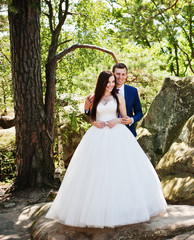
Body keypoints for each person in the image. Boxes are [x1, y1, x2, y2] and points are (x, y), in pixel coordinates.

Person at [46, 70, 167, 228]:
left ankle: (124, 209)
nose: (111, 84)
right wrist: (93, 122)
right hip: (96, 136)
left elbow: (125, 118)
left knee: (119, 170)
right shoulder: (92, 97)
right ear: (101, 82)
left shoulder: (119, 97)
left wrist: (116, 120)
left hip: (117, 134)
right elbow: (90, 115)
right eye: (108, 82)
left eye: (112, 81)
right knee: (94, 172)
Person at [84, 63, 143, 137]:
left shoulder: (132, 91)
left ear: (126, 75)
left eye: (123, 74)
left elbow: (139, 113)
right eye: (117, 74)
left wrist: (131, 120)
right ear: (113, 74)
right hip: (101, 132)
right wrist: (86, 108)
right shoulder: (98, 94)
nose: (120, 77)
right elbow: (91, 114)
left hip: (127, 131)